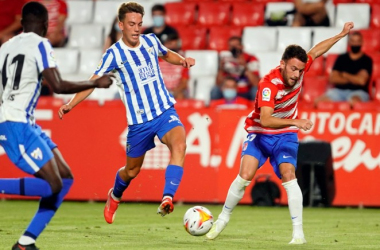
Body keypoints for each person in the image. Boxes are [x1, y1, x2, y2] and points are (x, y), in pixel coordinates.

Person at [206, 22, 354, 244]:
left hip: (284, 136)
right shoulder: (268, 85)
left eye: (300, 70)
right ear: (283, 64)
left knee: (289, 175)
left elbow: (316, 50)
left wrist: (341, 35)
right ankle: (222, 220)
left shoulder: (300, 69)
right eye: (293, 69)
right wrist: (296, 121)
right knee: (244, 176)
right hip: (259, 133)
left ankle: (298, 234)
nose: (297, 75)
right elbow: (265, 119)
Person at [58, 2, 195, 224]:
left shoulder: (150, 40)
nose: (136, 28)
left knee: (179, 145)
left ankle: (167, 197)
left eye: (139, 23)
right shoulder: (114, 54)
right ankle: (115, 195)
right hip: (139, 122)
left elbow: (166, 53)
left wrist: (182, 61)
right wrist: (71, 103)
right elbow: (92, 82)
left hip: (163, 111)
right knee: (131, 172)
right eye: (131, 24)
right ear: (121, 25)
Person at [0, 2, 114, 250]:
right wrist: (96, 83)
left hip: (22, 122)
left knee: (65, 178)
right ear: (45, 25)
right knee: (53, 185)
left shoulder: (6, 47)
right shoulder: (40, 44)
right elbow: (58, 85)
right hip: (15, 125)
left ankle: (25, 243)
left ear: (21, 23)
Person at [315, 31, 373, 106]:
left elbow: (361, 81)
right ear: (349, 43)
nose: (355, 44)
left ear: (362, 42)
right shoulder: (341, 58)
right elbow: (333, 79)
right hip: (339, 91)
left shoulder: (367, 60)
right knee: (319, 102)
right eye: (353, 41)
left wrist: (344, 75)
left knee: (355, 102)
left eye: (358, 41)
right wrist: (355, 78)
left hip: (359, 92)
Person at [211, 36, 260, 101]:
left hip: (245, 91)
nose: (234, 48)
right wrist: (221, 69)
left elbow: (256, 83)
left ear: (242, 46)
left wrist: (245, 66)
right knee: (215, 90)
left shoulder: (251, 59)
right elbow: (218, 83)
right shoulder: (225, 59)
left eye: (236, 45)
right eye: (231, 46)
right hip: (229, 91)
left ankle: (256, 110)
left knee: (256, 90)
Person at [159, 33, 189, 100]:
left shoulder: (183, 60)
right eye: (168, 43)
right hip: (162, 90)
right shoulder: (157, 60)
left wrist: (176, 90)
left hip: (178, 90)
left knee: (180, 95)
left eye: (173, 42)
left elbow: (184, 82)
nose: (171, 46)